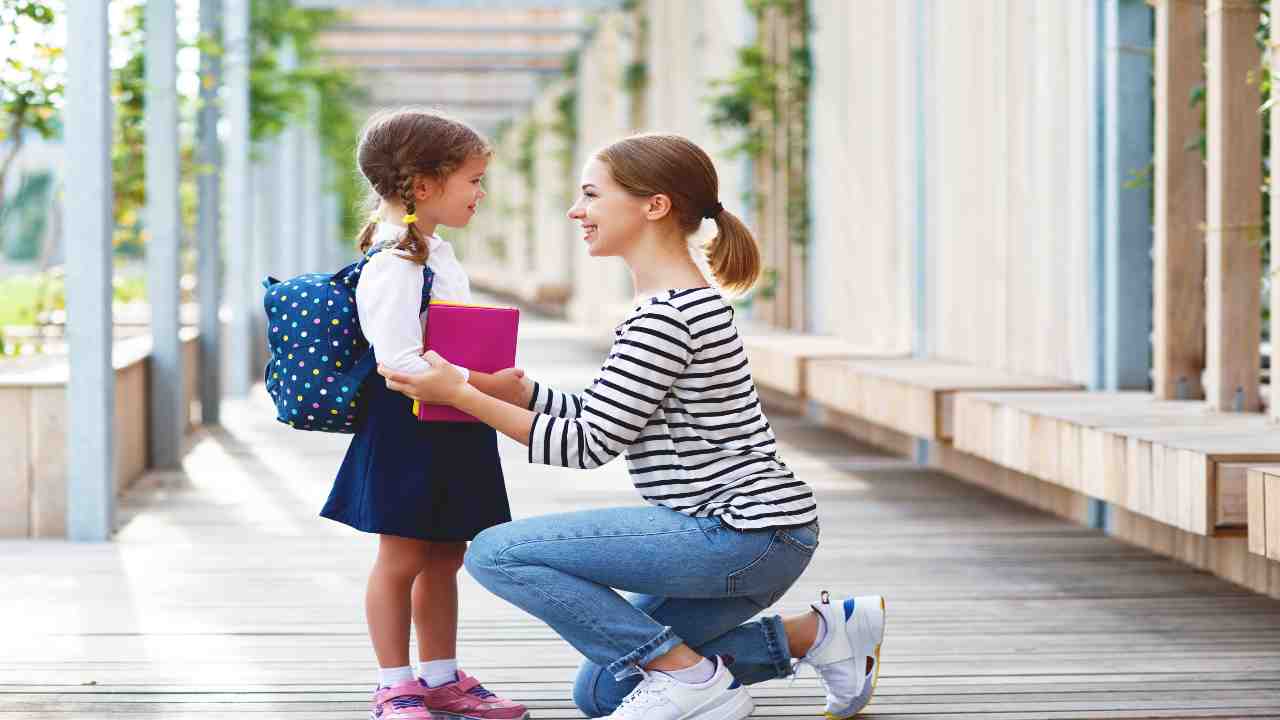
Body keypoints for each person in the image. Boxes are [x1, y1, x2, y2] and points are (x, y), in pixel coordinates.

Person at [378, 133, 886, 720]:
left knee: (495, 552)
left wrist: (460, 394)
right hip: (761, 536)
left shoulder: (668, 316)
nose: (577, 211)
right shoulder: (677, 304)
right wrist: (526, 394)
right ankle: (821, 636)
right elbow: (611, 411)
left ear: (655, 206)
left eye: (591, 195)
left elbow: (587, 445)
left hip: (738, 533)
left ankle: (690, 678)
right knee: (601, 691)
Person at [321, 108, 529, 720]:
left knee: (446, 553)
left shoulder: (433, 252)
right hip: (409, 426)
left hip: (450, 423)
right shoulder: (394, 263)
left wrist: (477, 382)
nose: (481, 193)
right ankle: (394, 683)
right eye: (472, 179)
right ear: (423, 185)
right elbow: (399, 364)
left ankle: (440, 677)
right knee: (403, 557)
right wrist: (486, 382)